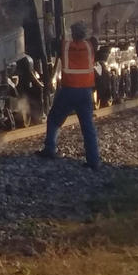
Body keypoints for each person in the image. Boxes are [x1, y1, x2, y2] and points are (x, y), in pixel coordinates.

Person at [37, 21, 101, 169]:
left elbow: (50, 37)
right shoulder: (90, 46)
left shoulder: (65, 46)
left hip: (68, 90)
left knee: (54, 119)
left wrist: (49, 19)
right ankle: (93, 161)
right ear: (84, 34)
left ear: (72, 34)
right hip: (85, 92)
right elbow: (97, 30)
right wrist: (95, 14)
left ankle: (50, 149)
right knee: (88, 127)